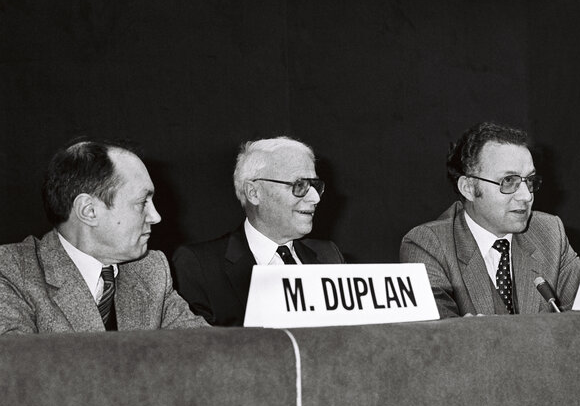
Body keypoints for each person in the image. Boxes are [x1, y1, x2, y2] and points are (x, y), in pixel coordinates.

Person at [0, 139, 208, 333]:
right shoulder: (11, 272)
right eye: (142, 203)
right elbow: (17, 366)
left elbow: (205, 349)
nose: (156, 217)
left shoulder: (150, 270)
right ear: (89, 211)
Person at [400, 122, 580, 318]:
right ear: (469, 188)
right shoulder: (428, 245)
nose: (526, 196)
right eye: (508, 181)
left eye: (529, 180)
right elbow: (442, 340)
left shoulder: (550, 232)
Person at [173, 137, 344, 326]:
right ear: (254, 193)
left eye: (315, 186)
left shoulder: (329, 256)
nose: (314, 198)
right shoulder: (199, 266)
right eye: (300, 185)